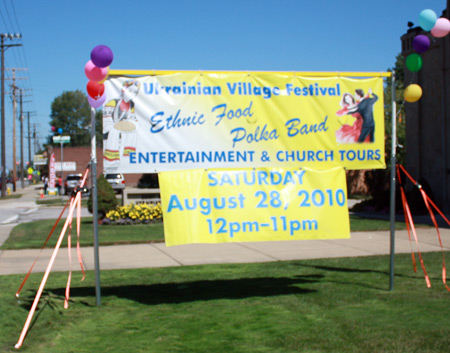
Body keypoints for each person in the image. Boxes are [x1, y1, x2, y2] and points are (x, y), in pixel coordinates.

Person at [103, 80, 140, 172]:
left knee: (134, 131)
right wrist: (115, 125)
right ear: (124, 90)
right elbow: (107, 120)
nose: (132, 94)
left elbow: (132, 117)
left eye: (135, 92)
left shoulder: (132, 104)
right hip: (111, 126)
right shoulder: (113, 103)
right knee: (114, 131)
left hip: (123, 126)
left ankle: (128, 156)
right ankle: (111, 159)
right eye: (130, 91)